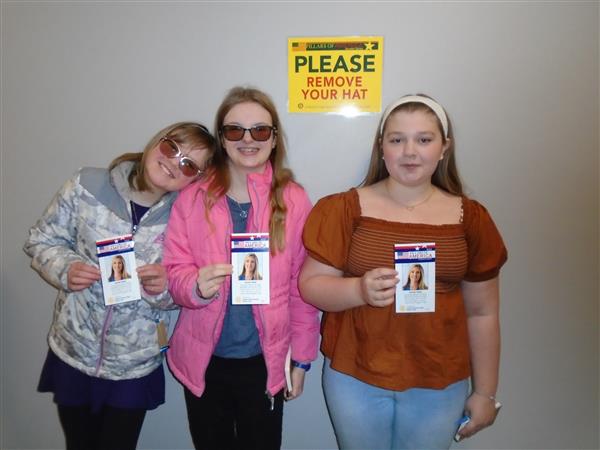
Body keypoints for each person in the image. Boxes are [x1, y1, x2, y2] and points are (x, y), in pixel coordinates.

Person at [299, 94, 507, 450]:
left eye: (424, 139)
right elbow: (311, 285)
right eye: (397, 140)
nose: (410, 151)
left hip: (440, 379)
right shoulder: (344, 209)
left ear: (444, 148)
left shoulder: (470, 219)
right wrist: (359, 291)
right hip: (355, 374)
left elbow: (483, 312)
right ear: (382, 148)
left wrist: (485, 393)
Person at [23, 122, 215, 450]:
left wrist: (163, 288)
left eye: (188, 165)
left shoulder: (186, 218)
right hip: (75, 350)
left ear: (195, 179)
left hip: (134, 364)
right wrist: (65, 269)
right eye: (172, 148)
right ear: (158, 140)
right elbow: (41, 240)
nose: (174, 162)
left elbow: (182, 288)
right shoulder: (87, 184)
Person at [163, 86, 320, 450]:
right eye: (235, 130)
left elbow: (303, 285)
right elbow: (174, 270)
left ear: (274, 138)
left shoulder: (293, 199)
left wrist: (303, 358)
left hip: (265, 362)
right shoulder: (192, 197)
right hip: (204, 362)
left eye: (260, 130)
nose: (248, 140)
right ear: (222, 138)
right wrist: (195, 286)